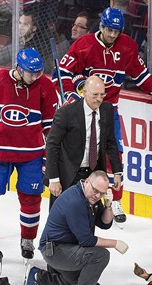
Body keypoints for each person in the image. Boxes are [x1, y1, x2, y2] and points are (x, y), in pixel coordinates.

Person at [56, 7, 152, 224]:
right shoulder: (83, 45)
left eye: (117, 31)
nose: (113, 35)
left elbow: (140, 73)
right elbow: (63, 72)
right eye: (109, 30)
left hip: (109, 110)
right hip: (83, 109)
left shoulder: (128, 47)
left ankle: (115, 200)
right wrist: (72, 96)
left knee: (115, 156)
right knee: (80, 155)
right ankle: (78, 197)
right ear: (102, 26)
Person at [0, 48, 58, 259]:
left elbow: (51, 128)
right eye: (31, 73)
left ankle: (27, 239)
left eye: (39, 73)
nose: (36, 77)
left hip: (31, 156)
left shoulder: (45, 87)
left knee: (31, 199)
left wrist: (48, 157)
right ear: (18, 68)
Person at [22, 170, 129, 285]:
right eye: (95, 190)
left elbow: (104, 223)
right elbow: (87, 240)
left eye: (101, 193)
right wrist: (115, 243)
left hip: (68, 248)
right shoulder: (75, 202)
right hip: (55, 251)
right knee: (101, 255)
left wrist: (108, 206)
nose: (97, 196)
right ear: (86, 182)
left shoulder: (91, 197)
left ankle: (37, 277)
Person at [45, 76, 122, 207]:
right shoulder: (66, 113)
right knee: (60, 217)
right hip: (67, 174)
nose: (99, 99)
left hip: (93, 175)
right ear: (84, 92)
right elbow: (52, 145)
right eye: (95, 94)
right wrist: (53, 179)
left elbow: (110, 142)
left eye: (102, 94)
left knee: (89, 217)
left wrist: (117, 172)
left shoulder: (107, 110)